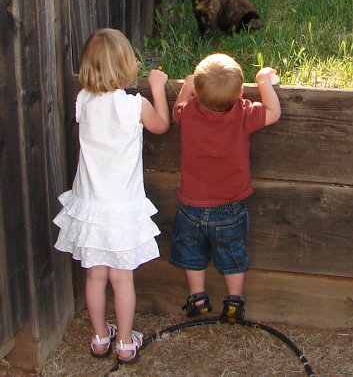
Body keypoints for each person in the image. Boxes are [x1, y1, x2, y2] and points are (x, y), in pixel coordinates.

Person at [53, 28, 170, 364]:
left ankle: (100, 338)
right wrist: (158, 87)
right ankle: (125, 343)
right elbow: (161, 124)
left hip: (90, 207)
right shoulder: (134, 105)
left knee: (95, 276)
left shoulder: (84, 101)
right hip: (121, 210)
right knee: (122, 279)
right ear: (126, 66)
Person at [169, 53, 281, 323]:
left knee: (191, 253)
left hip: (191, 207)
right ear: (241, 92)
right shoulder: (243, 112)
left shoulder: (189, 113)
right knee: (231, 254)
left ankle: (197, 299)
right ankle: (233, 302)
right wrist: (264, 81)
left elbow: (177, 109)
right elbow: (273, 113)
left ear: (197, 90)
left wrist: (186, 84)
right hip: (229, 207)